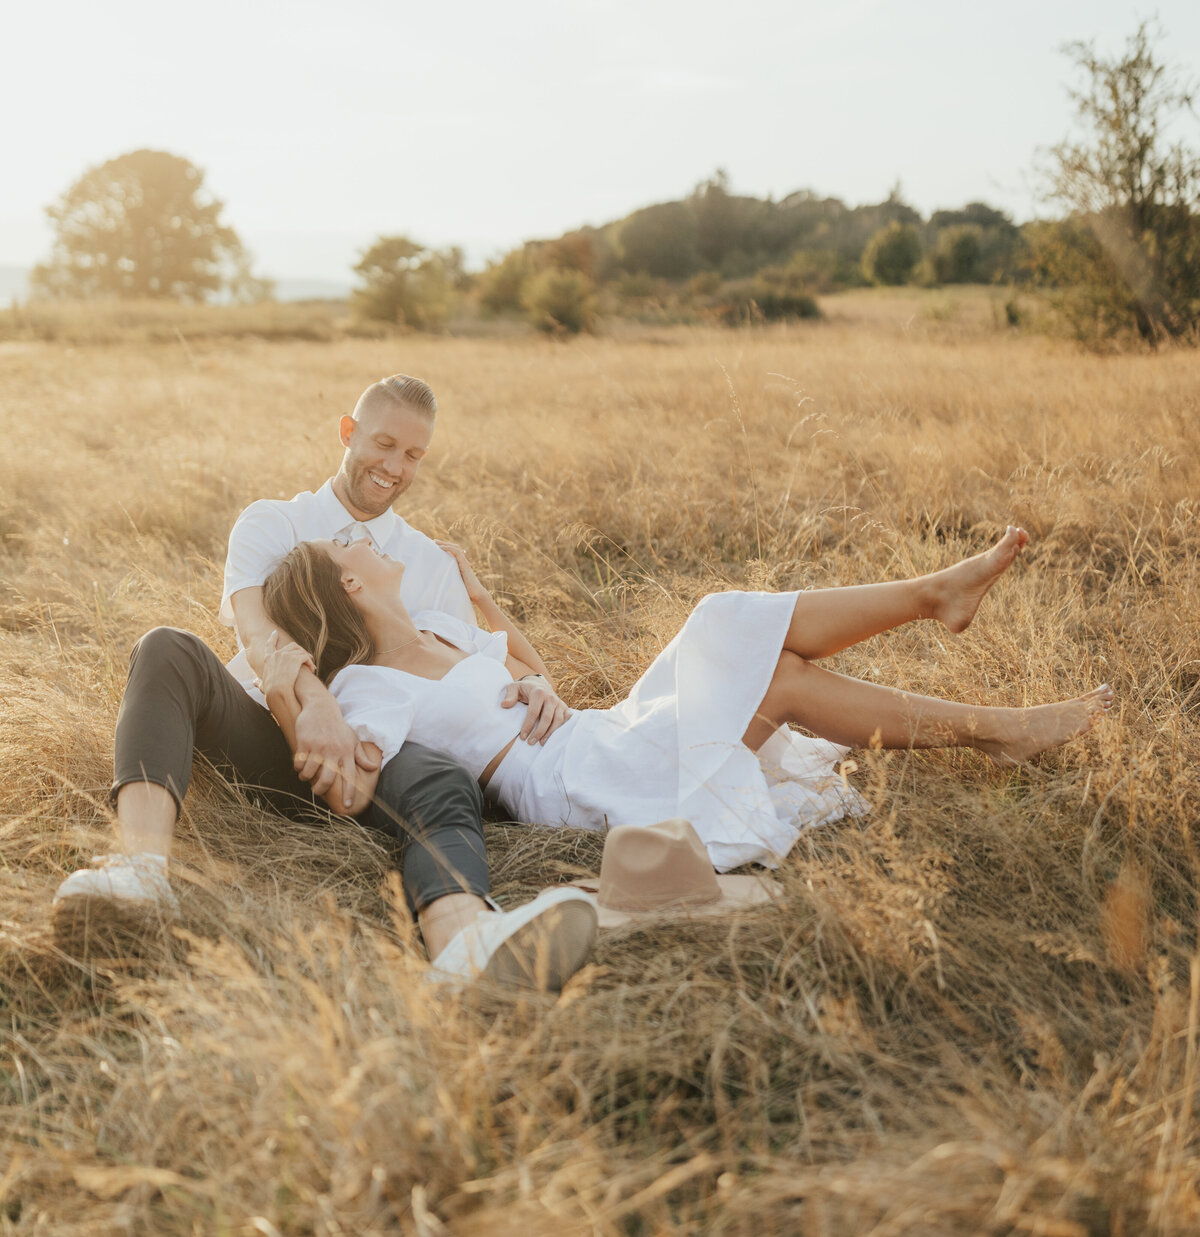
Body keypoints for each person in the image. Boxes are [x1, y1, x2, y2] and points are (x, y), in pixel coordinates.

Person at [53, 374, 597, 990]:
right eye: (384, 443)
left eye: (413, 454)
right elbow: (259, 633)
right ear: (348, 431)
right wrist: (314, 701)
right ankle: (141, 872)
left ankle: (468, 942)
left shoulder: (424, 562)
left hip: (379, 751)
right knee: (166, 648)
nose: (394, 467)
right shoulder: (275, 522)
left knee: (439, 776)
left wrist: (538, 684)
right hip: (270, 735)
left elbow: (466, 666)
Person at [259, 525, 1112, 871]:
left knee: (741, 643)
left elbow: (526, 663)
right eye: (351, 543)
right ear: (347, 581)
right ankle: (966, 664)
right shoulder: (367, 686)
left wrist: (511, 646)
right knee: (757, 660)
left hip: (596, 732)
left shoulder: (439, 636)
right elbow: (351, 784)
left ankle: (958, 645)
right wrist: (309, 692)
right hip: (576, 781)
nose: (368, 539)